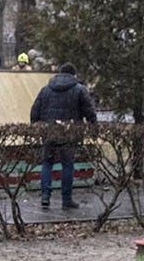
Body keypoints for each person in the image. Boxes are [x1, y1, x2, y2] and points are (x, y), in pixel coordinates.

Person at [29, 62, 97, 210]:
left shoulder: (45, 89)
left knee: (47, 164)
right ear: (74, 75)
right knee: (67, 164)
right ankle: (66, 199)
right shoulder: (79, 89)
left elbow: (34, 110)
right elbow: (89, 111)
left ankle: (45, 197)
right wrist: (93, 125)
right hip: (69, 132)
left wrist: (35, 126)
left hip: (49, 130)